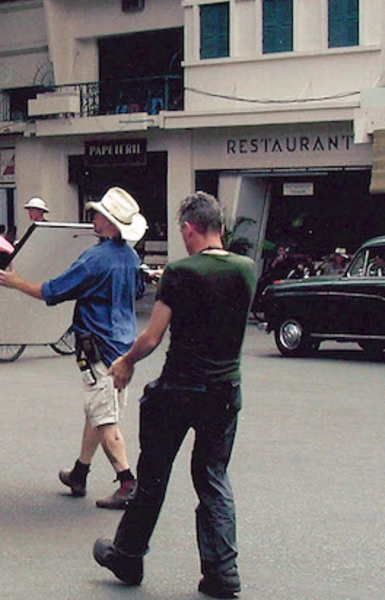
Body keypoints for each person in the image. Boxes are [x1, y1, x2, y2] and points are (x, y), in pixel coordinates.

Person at [93, 191, 256, 599]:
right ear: (219, 226)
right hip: (225, 388)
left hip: (180, 387)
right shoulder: (246, 270)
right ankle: (223, 572)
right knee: (212, 475)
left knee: (154, 475)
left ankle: (128, 554)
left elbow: (152, 336)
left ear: (188, 228)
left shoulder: (181, 272)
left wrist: (126, 362)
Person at [0, 187, 146, 509]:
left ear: (108, 222)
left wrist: (16, 282)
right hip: (124, 346)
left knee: (105, 419)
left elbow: (52, 291)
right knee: (99, 410)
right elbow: (139, 290)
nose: (92, 217)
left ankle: (127, 481)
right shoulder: (131, 257)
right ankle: (80, 472)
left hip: (98, 348)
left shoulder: (94, 259)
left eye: (98, 214)